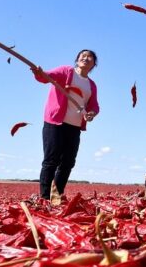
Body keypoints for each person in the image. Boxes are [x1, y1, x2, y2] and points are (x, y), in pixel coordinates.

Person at [33, 50, 100, 202]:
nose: (85, 57)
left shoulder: (91, 85)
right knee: (51, 160)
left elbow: (94, 105)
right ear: (77, 60)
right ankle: (44, 198)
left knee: (68, 162)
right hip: (55, 122)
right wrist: (39, 73)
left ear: (93, 64)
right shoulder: (66, 71)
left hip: (75, 126)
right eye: (82, 55)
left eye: (90, 57)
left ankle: (56, 196)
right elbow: (47, 77)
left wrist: (91, 113)